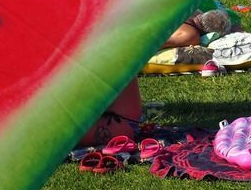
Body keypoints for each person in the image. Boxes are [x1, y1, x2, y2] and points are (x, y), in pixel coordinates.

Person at [78, 9, 232, 147]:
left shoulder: (189, 27)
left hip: (119, 118)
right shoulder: (188, 23)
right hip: (121, 117)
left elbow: (152, 43)